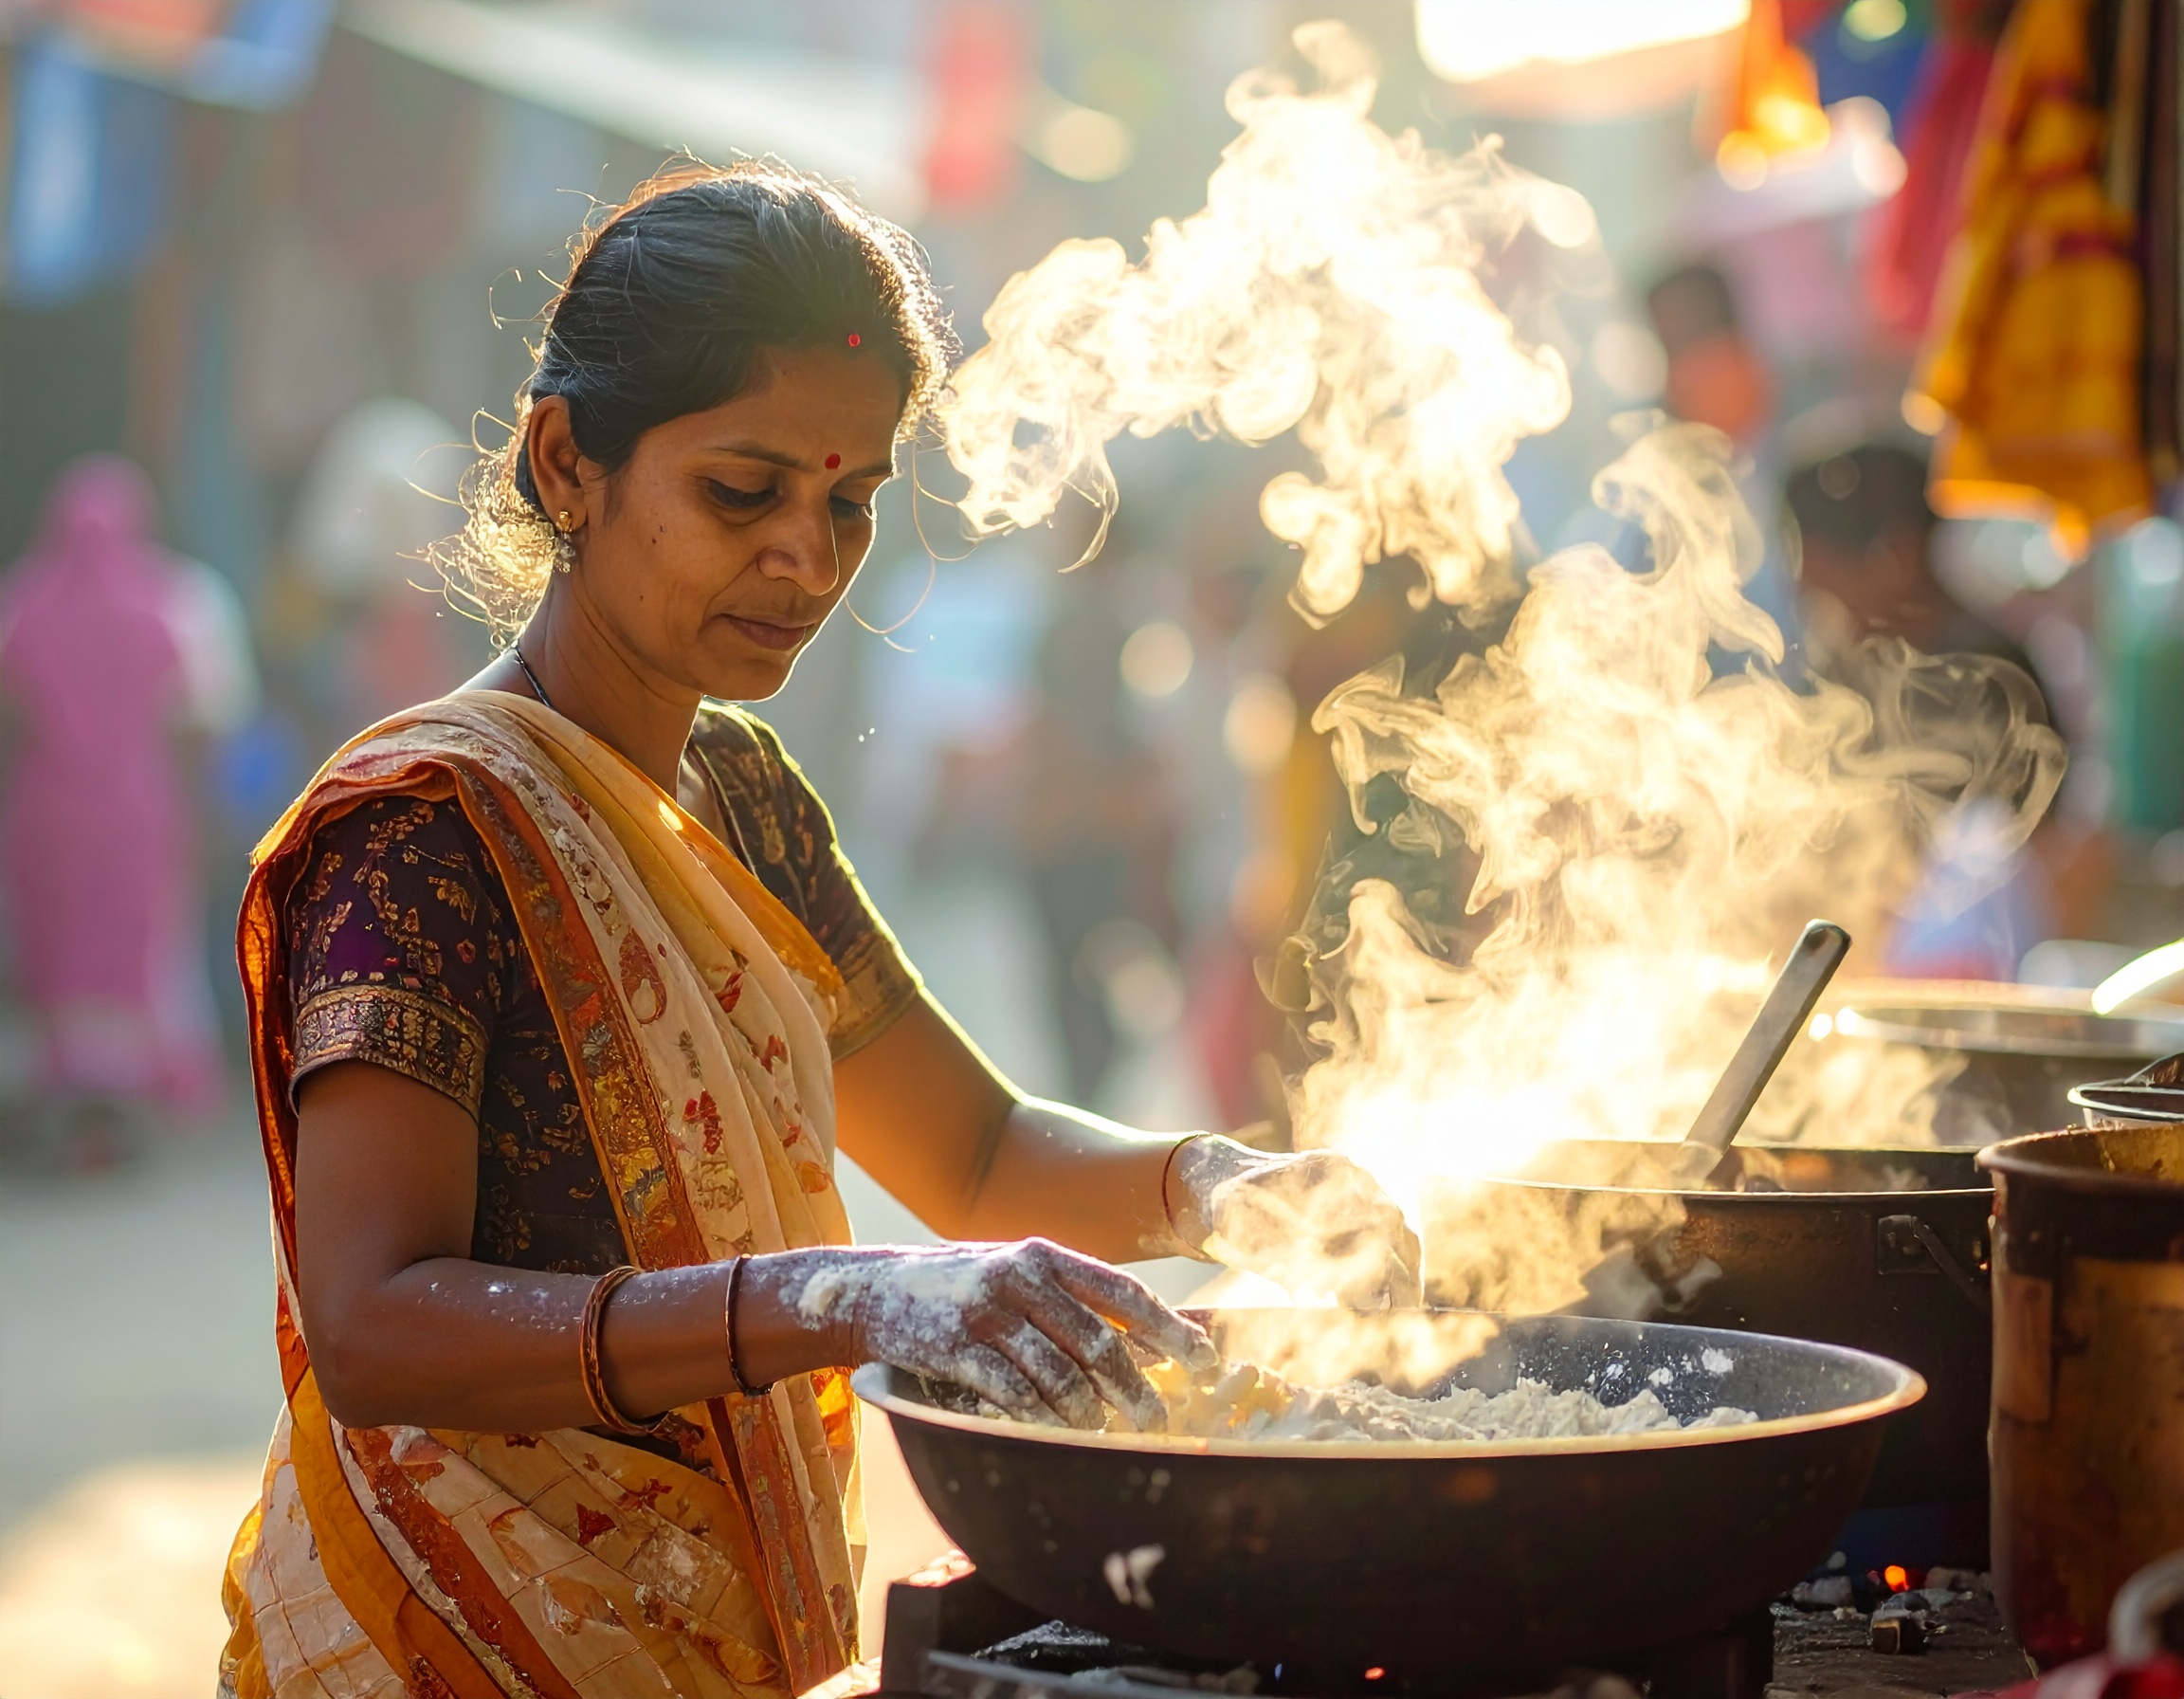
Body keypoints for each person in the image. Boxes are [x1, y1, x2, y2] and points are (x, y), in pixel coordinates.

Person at [219, 163, 1417, 1699]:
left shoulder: (743, 793)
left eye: (847, 503)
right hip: (460, 1638)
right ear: (565, 458)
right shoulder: (423, 833)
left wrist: (1218, 1186)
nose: (807, 556)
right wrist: (828, 1295)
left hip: (692, 1629)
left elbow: (973, 1156)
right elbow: (374, 1318)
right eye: (742, 490)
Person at [0, 456, 248, 1157]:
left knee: (61, 952)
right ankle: (126, 1106)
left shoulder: (21, 603)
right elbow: (203, 721)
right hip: (141, 810)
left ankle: (74, 1101)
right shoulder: (174, 605)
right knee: (140, 950)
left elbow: (11, 714)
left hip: (46, 815)